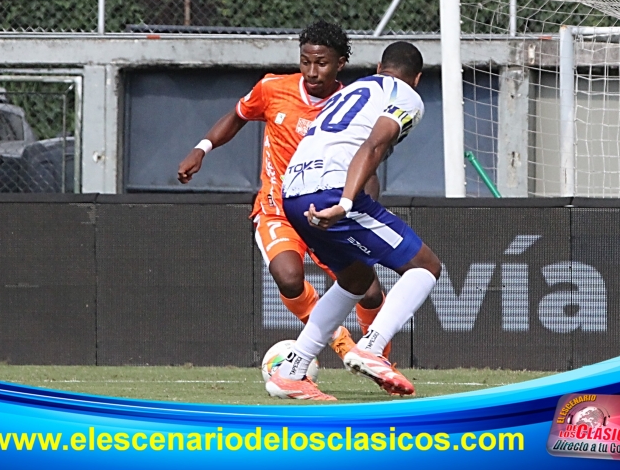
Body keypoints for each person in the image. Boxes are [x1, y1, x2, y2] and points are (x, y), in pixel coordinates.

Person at [177, 21, 388, 362]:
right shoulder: (272, 88)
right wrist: (202, 148)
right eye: (306, 61)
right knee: (289, 278)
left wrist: (359, 212)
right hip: (277, 208)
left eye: (322, 63)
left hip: (326, 213)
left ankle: (377, 357)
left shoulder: (354, 105)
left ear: (340, 64)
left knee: (370, 292)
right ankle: (340, 341)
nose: (312, 71)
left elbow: (368, 168)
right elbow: (238, 115)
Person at [266, 41, 442, 401]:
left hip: (293, 192)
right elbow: (374, 145)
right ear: (417, 78)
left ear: (378, 67)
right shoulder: (406, 96)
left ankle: (292, 371)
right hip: (332, 190)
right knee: (425, 266)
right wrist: (346, 203)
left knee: (356, 277)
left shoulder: (354, 89)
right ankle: (373, 347)